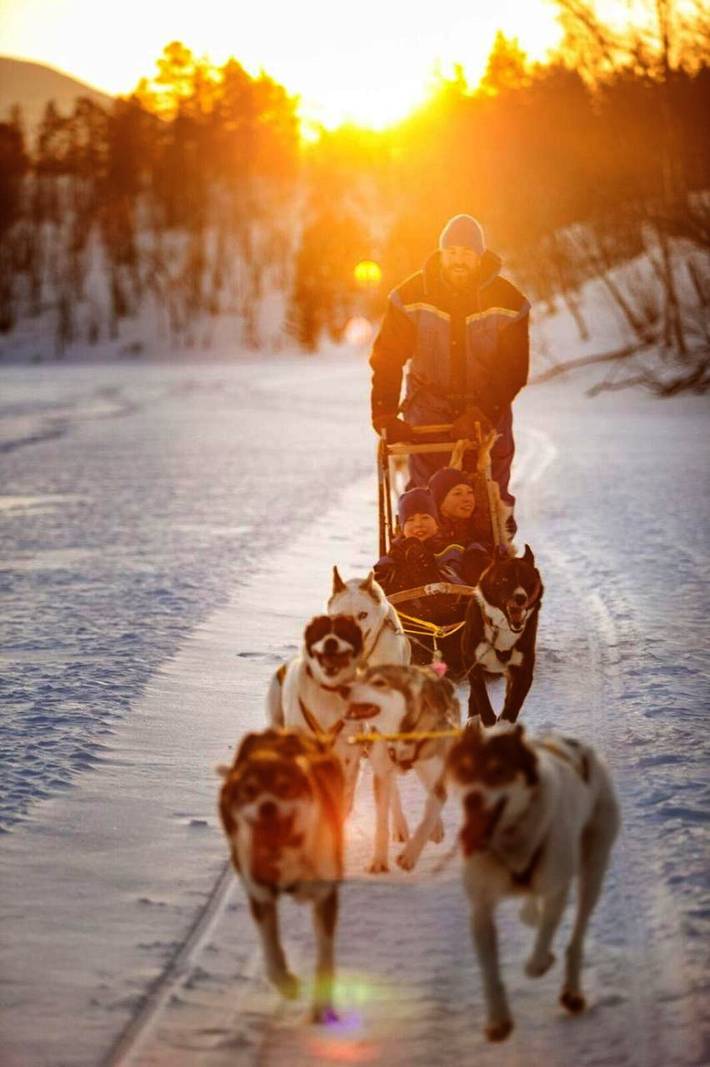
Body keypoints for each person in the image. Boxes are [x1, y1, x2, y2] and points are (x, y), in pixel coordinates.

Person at [370, 213, 530, 533]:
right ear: (442, 253)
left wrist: (484, 412)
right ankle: (421, 562)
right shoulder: (409, 296)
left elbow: (512, 368)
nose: (459, 260)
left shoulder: (508, 300)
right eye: (452, 252)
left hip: (487, 412)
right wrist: (385, 412)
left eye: (467, 253)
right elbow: (387, 357)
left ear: (480, 256)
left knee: (489, 496)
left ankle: (488, 563)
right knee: (427, 495)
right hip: (428, 410)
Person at [373, 488, 465, 601]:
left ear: (437, 523)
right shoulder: (392, 558)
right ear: (402, 528)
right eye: (410, 520)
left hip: (450, 610)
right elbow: (377, 592)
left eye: (425, 517)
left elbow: (462, 586)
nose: (418, 524)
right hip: (404, 613)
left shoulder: (451, 552)